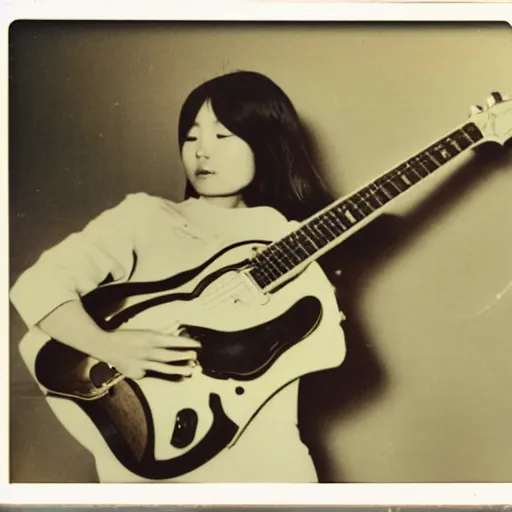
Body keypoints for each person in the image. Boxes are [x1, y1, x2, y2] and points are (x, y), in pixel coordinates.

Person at [10, 70, 347, 483]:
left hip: (271, 460)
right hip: (157, 460)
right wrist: (109, 346)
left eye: (223, 136)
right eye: (191, 137)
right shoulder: (147, 216)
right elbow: (37, 285)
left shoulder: (285, 235)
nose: (202, 152)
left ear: (267, 142)